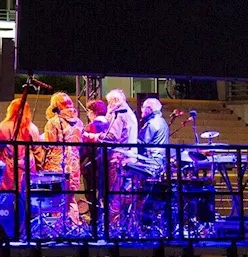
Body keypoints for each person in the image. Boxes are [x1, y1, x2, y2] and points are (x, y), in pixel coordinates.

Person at [85, 89, 139, 223]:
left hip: (119, 158)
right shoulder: (128, 112)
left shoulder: (119, 114)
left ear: (114, 102)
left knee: (114, 194)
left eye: (109, 102)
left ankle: (113, 226)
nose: (107, 106)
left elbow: (112, 136)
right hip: (128, 158)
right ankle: (118, 224)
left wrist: (93, 136)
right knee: (120, 194)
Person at [42, 91, 85, 224]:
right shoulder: (79, 122)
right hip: (74, 165)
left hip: (57, 165)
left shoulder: (53, 122)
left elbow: (49, 144)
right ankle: (74, 226)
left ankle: (58, 228)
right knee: (70, 199)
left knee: (56, 199)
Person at [0, 97, 43, 193]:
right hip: (27, 167)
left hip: (9, 167)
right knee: (25, 197)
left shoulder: (4, 126)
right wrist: (39, 168)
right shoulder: (32, 128)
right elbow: (37, 151)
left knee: (8, 195)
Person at [136, 97, 170, 175]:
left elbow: (142, 143)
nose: (141, 109)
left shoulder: (151, 123)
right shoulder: (162, 121)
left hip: (151, 161)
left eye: (143, 107)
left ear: (149, 109)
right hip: (160, 160)